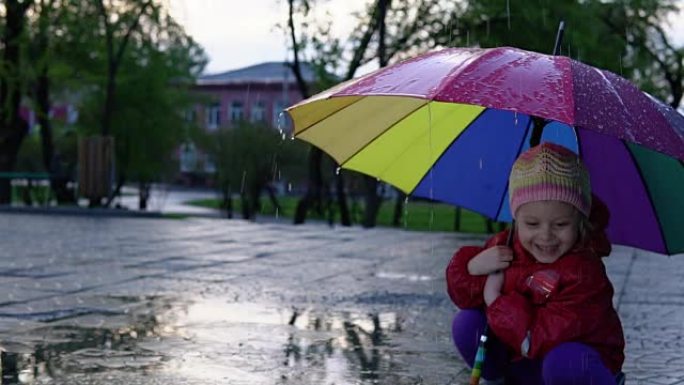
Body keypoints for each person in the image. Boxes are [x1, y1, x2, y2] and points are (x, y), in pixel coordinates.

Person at [446, 142, 625, 385]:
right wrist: (472, 268)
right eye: (532, 224)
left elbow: (539, 338)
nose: (545, 235)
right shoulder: (506, 245)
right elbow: (463, 296)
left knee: (564, 363)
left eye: (560, 225)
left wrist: (495, 300)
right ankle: (498, 379)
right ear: (516, 219)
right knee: (468, 324)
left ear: (580, 222)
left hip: (570, 363)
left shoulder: (585, 272)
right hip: (520, 362)